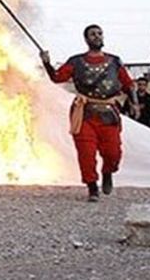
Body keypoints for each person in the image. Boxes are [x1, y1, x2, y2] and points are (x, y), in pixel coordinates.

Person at [41, 24, 137, 202]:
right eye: (93, 34)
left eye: (99, 33)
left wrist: (135, 103)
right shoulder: (76, 61)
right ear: (86, 39)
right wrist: (46, 62)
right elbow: (57, 77)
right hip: (84, 113)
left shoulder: (114, 61)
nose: (97, 36)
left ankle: (108, 172)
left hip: (109, 114)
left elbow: (128, 84)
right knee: (86, 153)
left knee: (113, 153)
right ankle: (92, 188)